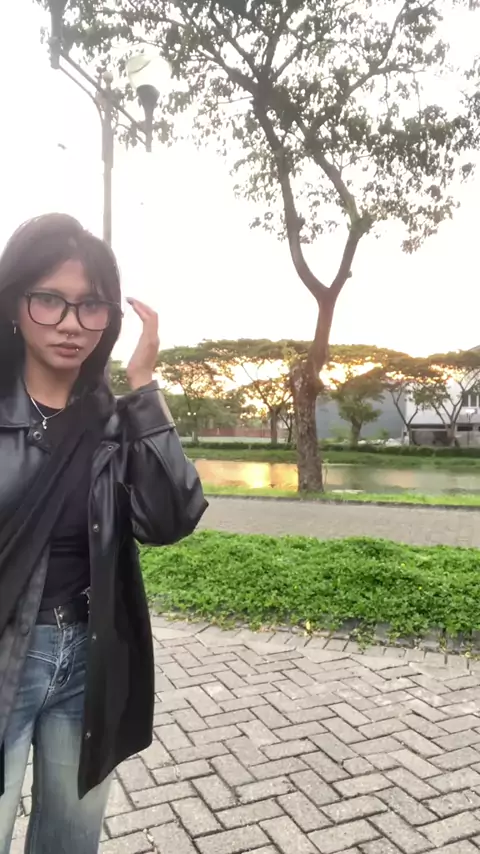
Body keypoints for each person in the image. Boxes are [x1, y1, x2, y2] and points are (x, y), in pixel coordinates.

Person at [0, 213, 208, 854]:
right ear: (14, 305)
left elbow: (170, 518)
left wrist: (144, 387)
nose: (70, 323)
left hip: (88, 660)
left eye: (90, 305)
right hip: (6, 652)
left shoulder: (117, 422)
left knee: (70, 839)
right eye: (50, 300)